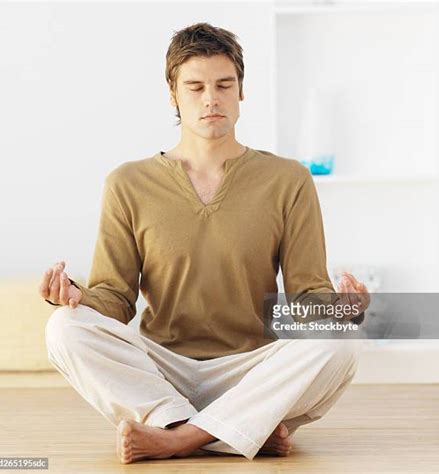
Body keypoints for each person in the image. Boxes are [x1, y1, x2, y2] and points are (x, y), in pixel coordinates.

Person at [40, 22, 370, 464]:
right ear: (173, 95)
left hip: (253, 371)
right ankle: (236, 429)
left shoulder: (289, 180)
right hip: (162, 369)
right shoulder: (128, 183)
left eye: (223, 84)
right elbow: (115, 300)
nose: (211, 99)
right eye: (195, 87)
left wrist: (342, 308)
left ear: (241, 92)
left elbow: (306, 296)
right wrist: (77, 296)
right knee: (64, 327)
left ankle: (179, 437)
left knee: (342, 341)